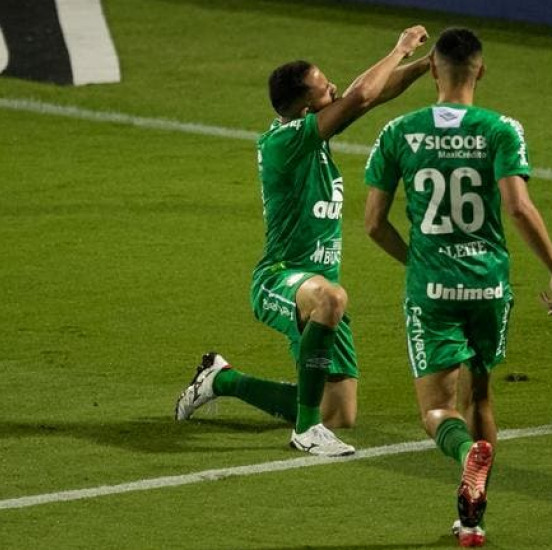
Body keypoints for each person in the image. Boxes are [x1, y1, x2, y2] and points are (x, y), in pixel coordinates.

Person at [174, 26, 430, 456]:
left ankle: (221, 379)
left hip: (315, 284)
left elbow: (372, 93)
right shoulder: (284, 141)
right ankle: (306, 432)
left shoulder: (312, 131)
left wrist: (426, 65)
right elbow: (361, 97)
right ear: (304, 106)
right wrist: (399, 49)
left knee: (340, 413)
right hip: (281, 278)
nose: (333, 86)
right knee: (332, 298)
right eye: (322, 86)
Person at [364, 27, 552, 546]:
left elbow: (373, 224)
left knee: (437, 412)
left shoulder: (398, 132)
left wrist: (419, 261)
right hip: (489, 287)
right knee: (481, 396)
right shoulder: (501, 129)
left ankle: (463, 456)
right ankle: (472, 519)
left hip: (432, 290)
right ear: (481, 69)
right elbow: (518, 207)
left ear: (432, 69)